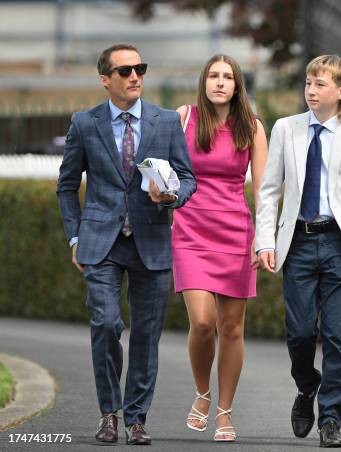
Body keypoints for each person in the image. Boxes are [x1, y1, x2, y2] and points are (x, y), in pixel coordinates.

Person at [57, 44, 196, 445]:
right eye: (124, 71)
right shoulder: (84, 123)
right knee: (105, 324)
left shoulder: (166, 121)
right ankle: (108, 413)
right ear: (105, 79)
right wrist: (76, 234)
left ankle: (136, 419)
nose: (135, 76)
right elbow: (66, 186)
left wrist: (171, 197)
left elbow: (188, 179)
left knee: (146, 335)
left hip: (151, 240)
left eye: (140, 69)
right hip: (100, 242)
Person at [255, 54, 341, 448]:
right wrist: (264, 241)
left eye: (320, 84)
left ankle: (330, 419)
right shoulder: (286, 129)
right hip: (296, 241)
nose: (311, 90)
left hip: (338, 246)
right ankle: (307, 385)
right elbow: (270, 191)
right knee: (298, 333)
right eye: (308, 83)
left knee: (336, 335)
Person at [172, 54, 268, 442]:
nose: (220, 82)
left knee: (231, 328)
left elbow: (263, 190)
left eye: (228, 76)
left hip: (235, 232)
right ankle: (202, 393)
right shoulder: (182, 118)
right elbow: (163, 172)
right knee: (203, 322)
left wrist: (264, 240)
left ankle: (225, 412)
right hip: (189, 230)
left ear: (237, 85)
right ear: (204, 81)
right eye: (213, 75)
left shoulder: (253, 127)